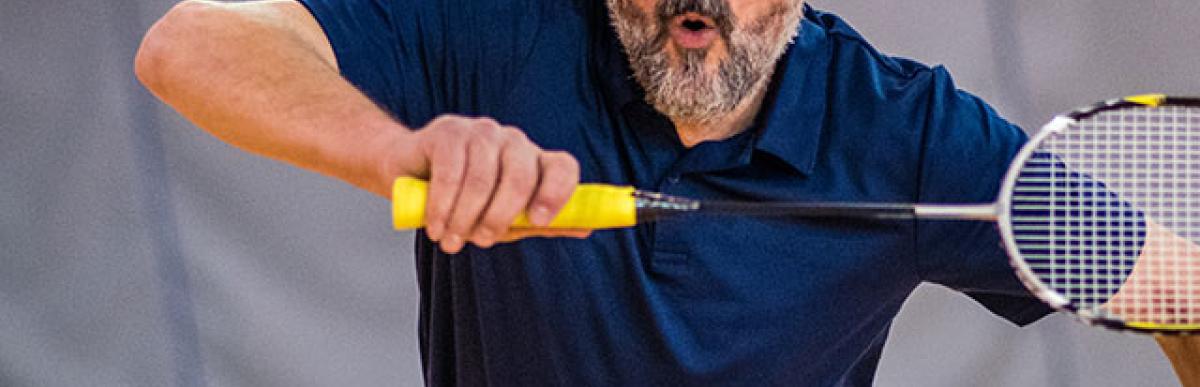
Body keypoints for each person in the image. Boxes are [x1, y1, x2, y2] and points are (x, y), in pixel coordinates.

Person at [134, 0, 1199, 385]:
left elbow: (1178, 291)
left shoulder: (910, 132)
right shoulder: (496, 28)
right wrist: (400, 151)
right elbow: (194, 44)